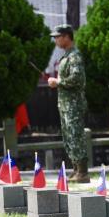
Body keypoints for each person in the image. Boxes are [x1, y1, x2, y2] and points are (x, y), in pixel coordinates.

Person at [46, 24, 90, 183]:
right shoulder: (66, 56)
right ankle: (76, 169)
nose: (56, 40)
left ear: (66, 37)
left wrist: (58, 82)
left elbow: (77, 79)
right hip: (65, 105)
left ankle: (83, 172)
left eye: (58, 37)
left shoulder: (74, 56)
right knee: (69, 137)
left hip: (74, 104)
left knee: (76, 136)